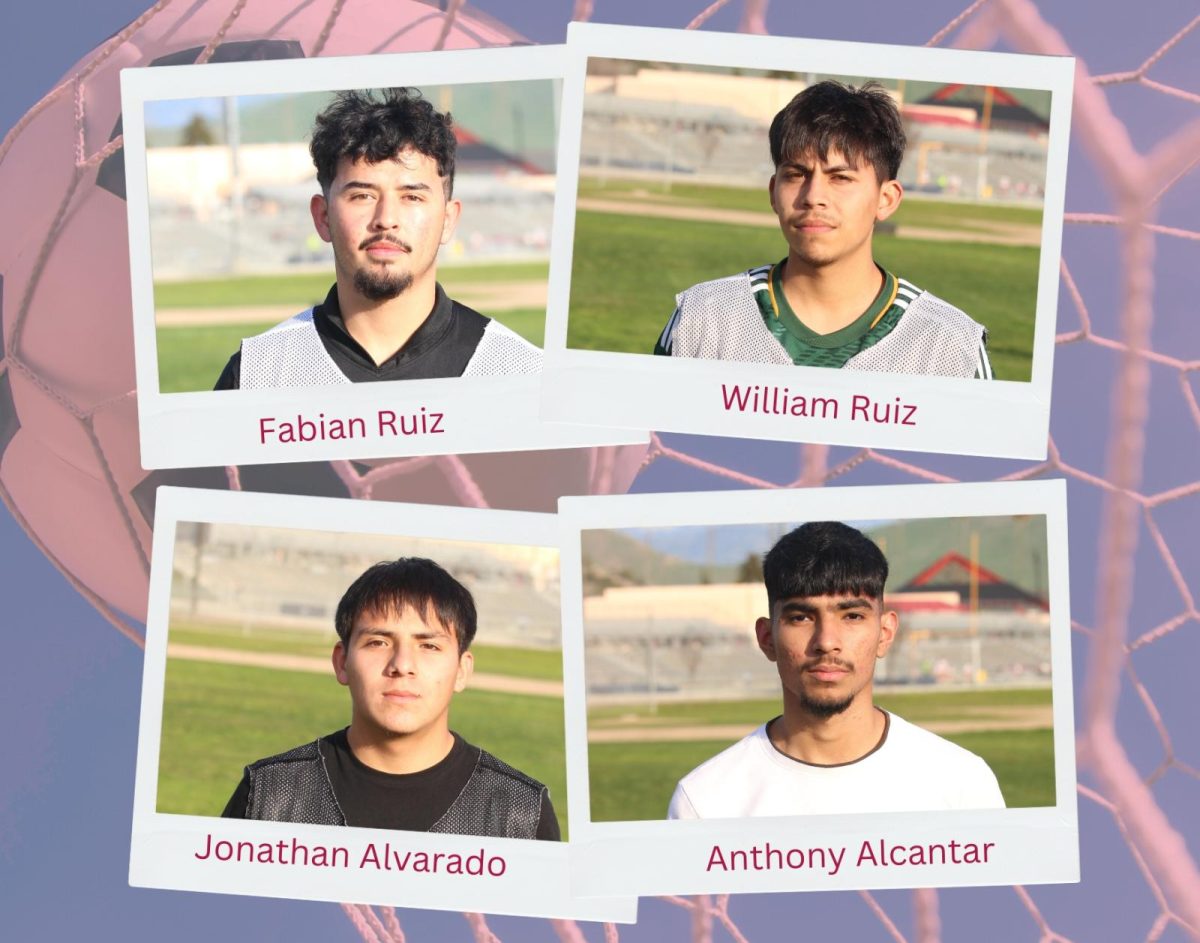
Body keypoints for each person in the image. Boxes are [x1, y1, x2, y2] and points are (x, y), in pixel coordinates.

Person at [655, 81, 993, 379]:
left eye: (841, 178)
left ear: (886, 199)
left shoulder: (949, 345)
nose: (813, 197)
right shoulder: (703, 318)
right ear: (774, 191)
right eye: (796, 174)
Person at [668, 522, 1005, 819]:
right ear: (767, 638)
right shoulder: (705, 802)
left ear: (884, 634)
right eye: (801, 617)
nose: (827, 642)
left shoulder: (963, 785)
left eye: (852, 616)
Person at [214, 88, 541, 390]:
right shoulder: (256, 376)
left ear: (448, 220)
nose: (386, 219)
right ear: (323, 217)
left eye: (412, 197)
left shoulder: (520, 372)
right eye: (362, 196)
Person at [222, 557, 560, 840]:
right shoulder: (267, 795)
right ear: (342, 662)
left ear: (461, 670)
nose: (402, 665)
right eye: (378, 643)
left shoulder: (521, 812)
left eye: (429, 646)